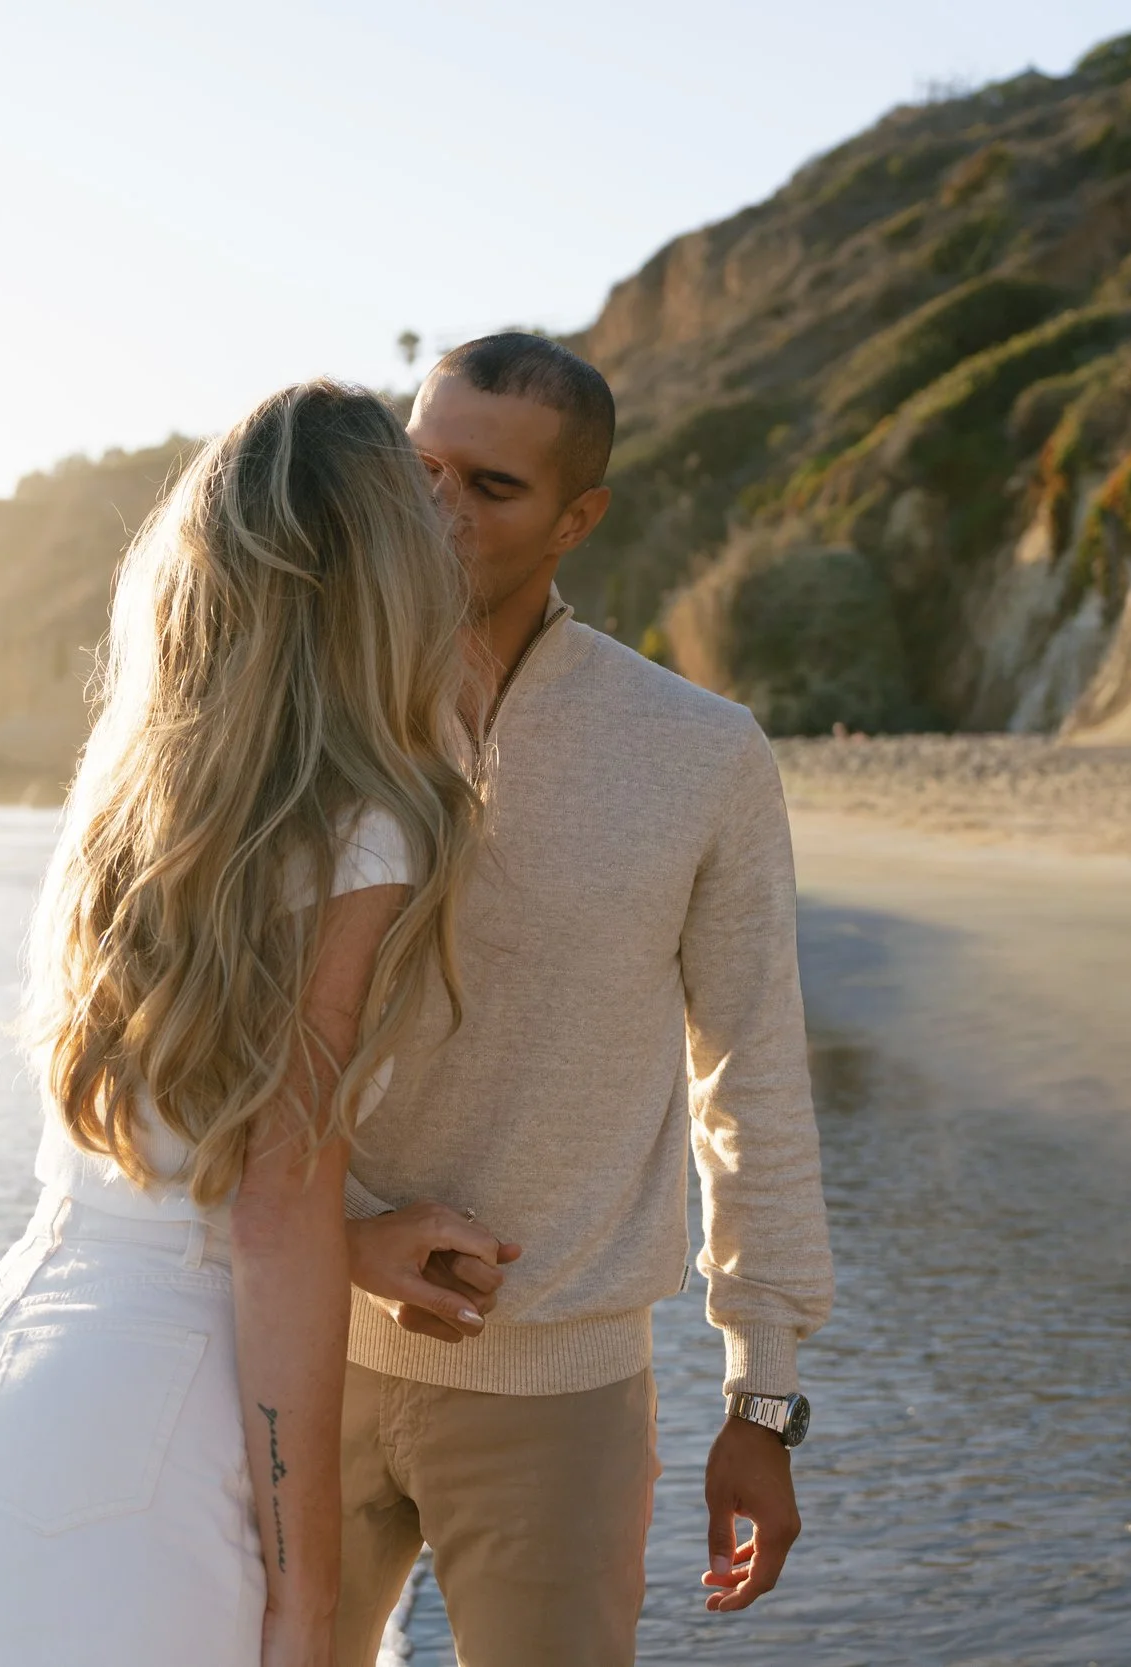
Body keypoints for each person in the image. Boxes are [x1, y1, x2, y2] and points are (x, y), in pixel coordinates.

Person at [0, 380, 501, 1667]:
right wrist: (309, 1590)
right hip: (130, 1428)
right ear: (381, 580)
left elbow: (177, 1152)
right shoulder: (363, 827)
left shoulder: (136, 797)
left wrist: (349, 1237)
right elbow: (269, 1207)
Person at [331, 334, 836, 1667]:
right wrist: (333, 1235)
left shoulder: (698, 751)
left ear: (578, 518)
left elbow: (756, 1076)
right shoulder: (316, 712)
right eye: (418, 468)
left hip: (556, 1391)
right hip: (288, 1345)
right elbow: (196, 1034)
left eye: (490, 487)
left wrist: (764, 1392)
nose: (437, 512)